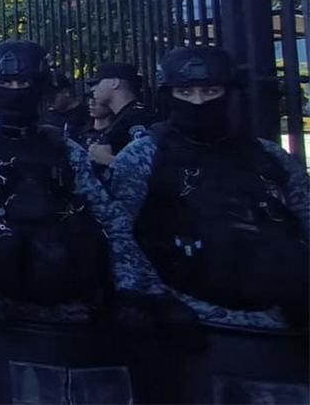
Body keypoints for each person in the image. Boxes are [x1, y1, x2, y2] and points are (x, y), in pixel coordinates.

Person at [0, 40, 178, 401]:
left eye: (25, 84)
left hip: (74, 309)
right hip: (1, 308)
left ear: (41, 87)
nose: (16, 92)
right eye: (8, 84)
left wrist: (133, 288)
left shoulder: (66, 151)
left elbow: (112, 220)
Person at [112, 46, 310, 332]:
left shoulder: (268, 157)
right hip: (191, 322)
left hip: (285, 321)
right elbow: (120, 236)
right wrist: (155, 300)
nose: (198, 102)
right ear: (170, 95)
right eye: (186, 92)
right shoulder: (143, 156)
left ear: (227, 93)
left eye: (210, 92)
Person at [87, 62, 155, 169]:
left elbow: (148, 166)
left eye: (98, 82)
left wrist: (107, 159)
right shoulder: (123, 117)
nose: (93, 89)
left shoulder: (137, 118)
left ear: (114, 83)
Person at [41, 74, 89, 138]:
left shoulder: (85, 115)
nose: (48, 102)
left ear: (66, 92)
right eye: (46, 98)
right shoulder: (49, 115)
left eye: (52, 97)